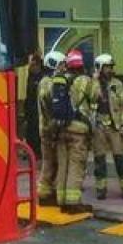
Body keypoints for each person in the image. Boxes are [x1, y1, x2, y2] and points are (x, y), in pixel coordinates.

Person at [53, 48, 93, 214]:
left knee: (63, 165)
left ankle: (61, 200)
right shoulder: (86, 80)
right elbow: (97, 96)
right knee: (76, 165)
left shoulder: (60, 80)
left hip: (62, 128)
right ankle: (73, 202)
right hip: (79, 129)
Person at [89, 54, 123, 200]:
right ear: (100, 68)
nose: (110, 70)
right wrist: (95, 80)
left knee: (120, 157)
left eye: (111, 67)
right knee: (99, 159)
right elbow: (92, 97)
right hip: (98, 126)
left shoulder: (117, 84)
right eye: (107, 67)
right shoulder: (92, 84)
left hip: (115, 126)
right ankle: (101, 189)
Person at [36, 51, 65, 206]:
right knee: (49, 163)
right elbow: (48, 102)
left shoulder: (48, 80)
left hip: (48, 129)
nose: (64, 67)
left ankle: (47, 192)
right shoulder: (47, 82)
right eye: (61, 64)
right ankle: (44, 193)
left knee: (51, 163)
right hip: (49, 130)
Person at [23, 51, 44, 159]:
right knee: (30, 131)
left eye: (32, 65)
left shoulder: (41, 78)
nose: (30, 67)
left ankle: (37, 152)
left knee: (36, 132)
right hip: (30, 109)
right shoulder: (30, 77)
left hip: (38, 109)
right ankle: (31, 151)